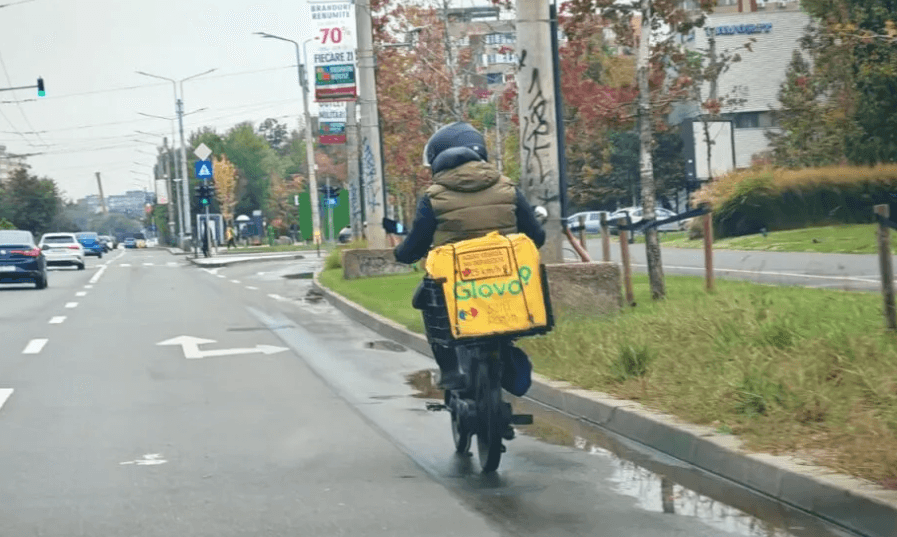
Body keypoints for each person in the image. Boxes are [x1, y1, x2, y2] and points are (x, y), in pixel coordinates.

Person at [393, 122, 546, 390]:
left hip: (455, 286)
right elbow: (536, 237)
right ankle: (509, 355)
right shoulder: (508, 188)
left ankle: (450, 370)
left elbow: (415, 246)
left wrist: (401, 253)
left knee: (426, 301)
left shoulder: (433, 197)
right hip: (507, 284)